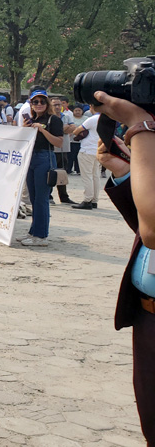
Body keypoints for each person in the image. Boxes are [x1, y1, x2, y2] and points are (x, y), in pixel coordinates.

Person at [90, 91, 155, 445]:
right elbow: (145, 230)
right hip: (147, 315)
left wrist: (140, 126)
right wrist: (125, 172)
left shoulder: (145, 131)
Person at [19, 89, 64, 246]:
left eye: (42, 101)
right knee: (33, 198)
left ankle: (41, 235)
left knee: (41, 199)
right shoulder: (32, 119)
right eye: (35, 102)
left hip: (45, 158)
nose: (39, 104)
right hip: (31, 157)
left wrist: (42, 130)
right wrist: (25, 128)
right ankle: (34, 231)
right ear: (31, 104)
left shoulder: (53, 119)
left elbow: (59, 142)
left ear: (47, 103)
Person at [72, 112, 102, 210]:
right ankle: (94, 200)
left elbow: (76, 131)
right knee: (96, 176)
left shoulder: (93, 119)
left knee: (87, 176)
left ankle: (87, 200)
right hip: (98, 150)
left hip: (87, 150)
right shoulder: (108, 119)